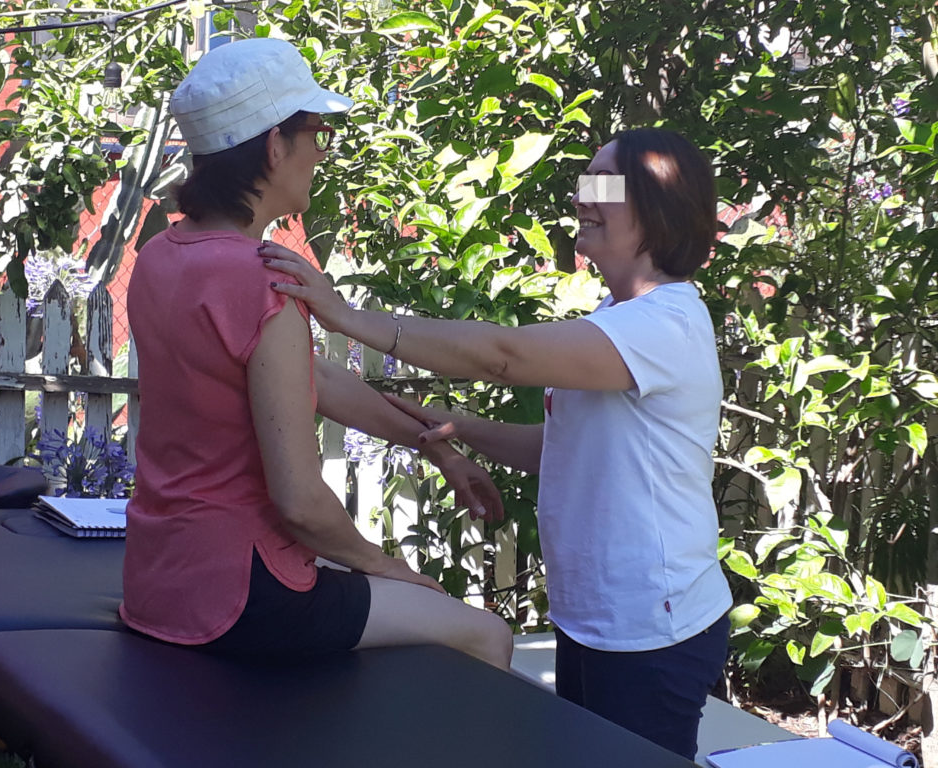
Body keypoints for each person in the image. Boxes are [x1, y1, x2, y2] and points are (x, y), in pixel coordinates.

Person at [264, 128, 734, 759]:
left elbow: (502, 356)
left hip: (653, 627)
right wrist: (462, 430)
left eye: (602, 186)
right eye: (582, 185)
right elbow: (564, 446)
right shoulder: (620, 322)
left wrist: (346, 316)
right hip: (596, 620)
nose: (580, 201)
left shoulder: (664, 324)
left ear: (654, 208)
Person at [119, 37, 512, 670]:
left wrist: (434, 446)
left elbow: (310, 379)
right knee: (486, 635)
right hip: (240, 596)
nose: (321, 151)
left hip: (159, 580)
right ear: (275, 147)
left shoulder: (161, 257)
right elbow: (299, 502)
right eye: (315, 133)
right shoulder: (261, 280)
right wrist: (390, 569)